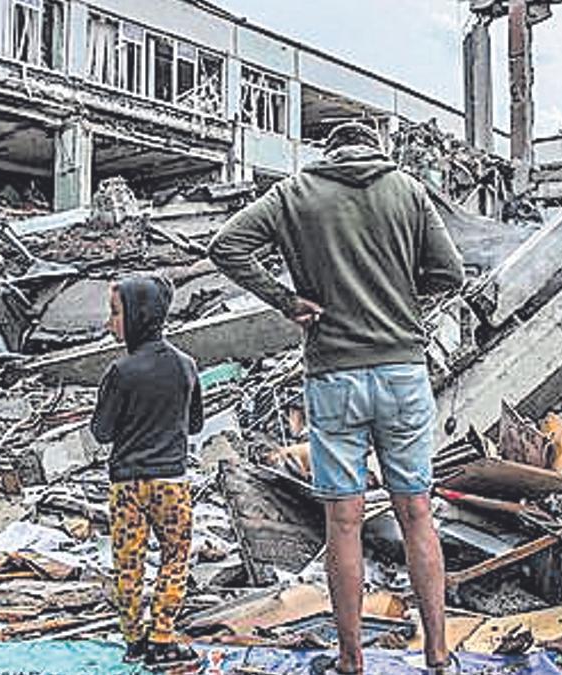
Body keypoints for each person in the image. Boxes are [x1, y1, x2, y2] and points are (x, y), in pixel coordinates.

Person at [209, 122, 465, 675]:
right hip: (401, 370)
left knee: (343, 521)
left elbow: (226, 246)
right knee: (417, 512)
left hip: (333, 375)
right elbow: (450, 272)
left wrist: (286, 300)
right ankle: (438, 656)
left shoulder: (295, 192)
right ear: (377, 148)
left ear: (328, 152)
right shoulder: (407, 190)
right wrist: (399, 294)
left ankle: (352, 661)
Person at [91, 274, 204, 668]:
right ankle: (163, 636)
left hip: (126, 486)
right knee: (175, 557)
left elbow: (102, 432)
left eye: (115, 313)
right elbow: (194, 426)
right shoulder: (186, 366)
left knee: (128, 563)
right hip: (171, 483)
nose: (110, 323)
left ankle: (134, 640)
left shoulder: (120, 372)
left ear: (139, 315)